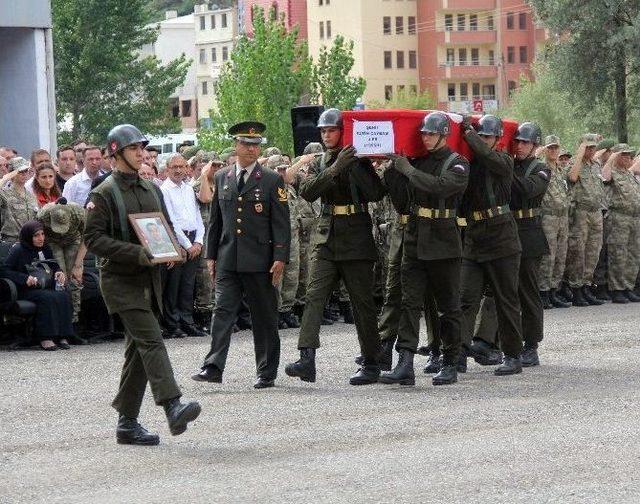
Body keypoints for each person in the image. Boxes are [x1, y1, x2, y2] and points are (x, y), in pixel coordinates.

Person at [84, 123, 201, 446]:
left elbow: (163, 227)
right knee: (151, 341)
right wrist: (138, 253)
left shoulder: (152, 189)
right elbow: (93, 239)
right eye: (134, 148)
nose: (141, 153)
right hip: (121, 281)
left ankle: (127, 423)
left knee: (138, 351)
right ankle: (172, 405)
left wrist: (172, 249)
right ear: (116, 152)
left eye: (142, 148)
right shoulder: (104, 193)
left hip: (151, 279)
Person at [284, 108, 386, 386]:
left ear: (343, 132)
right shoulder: (318, 163)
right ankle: (307, 358)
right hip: (327, 237)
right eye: (323, 131)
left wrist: (356, 164)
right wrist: (337, 167)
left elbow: (376, 193)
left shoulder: (358, 160)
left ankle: (372, 361)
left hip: (356, 236)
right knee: (314, 296)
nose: (326, 135)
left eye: (331, 130)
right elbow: (309, 190)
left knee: (362, 304)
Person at [191, 121, 290, 389]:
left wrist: (280, 257)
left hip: (260, 260)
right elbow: (216, 222)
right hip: (228, 258)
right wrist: (211, 255)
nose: (251, 149)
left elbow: (281, 223)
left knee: (264, 315)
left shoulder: (271, 180)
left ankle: (266, 370)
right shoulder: (223, 177)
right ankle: (213, 366)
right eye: (246, 144)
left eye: (256, 145)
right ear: (236, 145)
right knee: (222, 311)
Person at [379, 112, 469, 386]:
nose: (425, 138)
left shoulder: (458, 164)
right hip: (415, 239)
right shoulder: (416, 163)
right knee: (409, 303)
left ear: (444, 134)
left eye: (430, 134)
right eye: (423, 134)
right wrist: (393, 168)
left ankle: (450, 361)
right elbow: (402, 198)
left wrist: (406, 169)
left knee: (448, 306)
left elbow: (439, 188)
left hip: (444, 242)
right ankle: (405, 362)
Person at [459, 115, 524, 376]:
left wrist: (468, 133)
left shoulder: (504, 161)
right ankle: (458, 354)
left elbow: (488, 156)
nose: (483, 140)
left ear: (497, 139)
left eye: (487, 136)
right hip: (475, 236)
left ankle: (513, 355)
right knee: (465, 299)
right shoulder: (468, 165)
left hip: (501, 236)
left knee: (505, 299)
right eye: (480, 135)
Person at [509, 122, 550, 367]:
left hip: (529, 233)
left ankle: (531, 344)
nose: (520, 146)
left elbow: (528, 190)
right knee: (505, 292)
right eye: (518, 142)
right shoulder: (509, 165)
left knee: (527, 292)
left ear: (535, 145)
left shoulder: (541, 169)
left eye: (525, 142)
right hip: (507, 230)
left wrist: (505, 172)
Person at [1, 221, 74, 350]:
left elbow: (53, 265)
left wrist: (59, 272)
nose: (41, 238)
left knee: (64, 295)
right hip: (24, 289)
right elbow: (5, 270)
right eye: (36, 235)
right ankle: (45, 337)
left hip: (43, 286)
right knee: (46, 298)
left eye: (42, 234)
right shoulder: (18, 250)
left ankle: (63, 335)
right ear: (29, 236)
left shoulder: (45, 248)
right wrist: (24, 278)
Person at [160, 154, 206, 338]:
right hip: (177, 240)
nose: (178, 170)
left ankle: (187, 321)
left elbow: (198, 217)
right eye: (174, 167)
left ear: (187, 168)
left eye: (182, 166)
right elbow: (170, 220)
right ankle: (172, 323)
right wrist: (187, 245)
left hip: (193, 238)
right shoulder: (164, 190)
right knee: (174, 284)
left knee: (188, 284)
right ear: (167, 169)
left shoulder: (188, 189)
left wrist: (199, 241)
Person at [564, 134, 606, 306]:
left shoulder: (596, 165)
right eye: (587, 147)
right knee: (578, 252)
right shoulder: (574, 163)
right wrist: (580, 155)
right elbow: (572, 178)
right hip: (580, 213)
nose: (590, 150)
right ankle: (576, 288)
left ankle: (587, 286)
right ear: (581, 147)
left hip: (595, 212)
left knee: (593, 251)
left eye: (592, 147)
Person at [37, 200, 87, 327]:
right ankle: (60, 320)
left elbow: (87, 238)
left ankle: (73, 322)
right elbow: (36, 234)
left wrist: (77, 265)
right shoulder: (43, 214)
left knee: (74, 278)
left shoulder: (79, 213)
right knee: (60, 278)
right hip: (52, 242)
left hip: (73, 240)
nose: (61, 231)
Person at [601, 145, 640, 303]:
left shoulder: (629, 174)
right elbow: (604, 176)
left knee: (633, 254)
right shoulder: (613, 172)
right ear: (616, 156)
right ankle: (617, 289)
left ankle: (628, 286)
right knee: (618, 254)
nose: (627, 158)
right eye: (623, 155)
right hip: (619, 218)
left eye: (629, 155)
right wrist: (611, 157)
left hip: (634, 218)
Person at [538, 135, 572, 309]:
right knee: (548, 255)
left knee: (561, 255)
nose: (553, 151)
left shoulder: (560, 169)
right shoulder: (541, 167)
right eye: (550, 148)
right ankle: (543, 292)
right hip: (549, 216)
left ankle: (554, 290)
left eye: (555, 148)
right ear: (545, 149)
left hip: (563, 216)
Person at [0, 157, 38, 243]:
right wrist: (5, 179)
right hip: (11, 242)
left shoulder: (31, 196)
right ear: (12, 174)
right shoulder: (4, 193)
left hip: (30, 242)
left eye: (26, 171)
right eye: (20, 171)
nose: (24, 174)